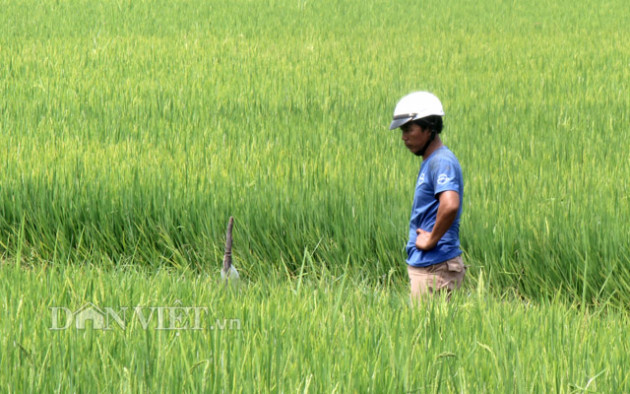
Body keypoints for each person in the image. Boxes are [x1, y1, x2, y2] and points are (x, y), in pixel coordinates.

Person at [388, 91, 466, 302]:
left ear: (429, 128)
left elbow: (450, 204)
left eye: (408, 129)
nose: (404, 137)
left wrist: (431, 239)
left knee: (430, 334)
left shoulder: (441, 162)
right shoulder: (433, 161)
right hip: (430, 267)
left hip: (436, 269)